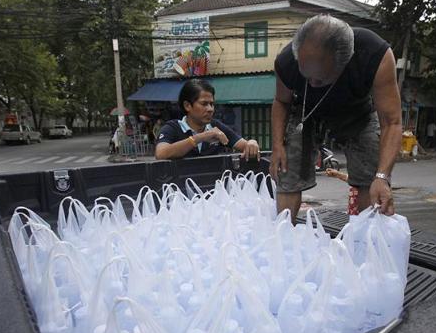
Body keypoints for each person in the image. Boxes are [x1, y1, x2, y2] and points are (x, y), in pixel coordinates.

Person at [270, 14, 402, 222]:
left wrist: (382, 176)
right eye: (307, 76)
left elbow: (392, 122)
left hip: (356, 113)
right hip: (306, 113)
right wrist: (277, 145)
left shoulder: (374, 54)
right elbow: (281, 102)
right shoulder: (286, 62)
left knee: (371, 174)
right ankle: (284, 234)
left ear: (344, 62)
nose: (312, 83)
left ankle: (363, 236)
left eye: (319, 78)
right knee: (287, 169)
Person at [155, 79, 260, 161]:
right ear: (187, 106)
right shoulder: (172, 128)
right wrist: (201, 137)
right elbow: (161, 154)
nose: (210, 109)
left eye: (212, 104)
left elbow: (244, 145)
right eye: (204, 104)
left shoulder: (216, 126)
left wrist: (252, 143)